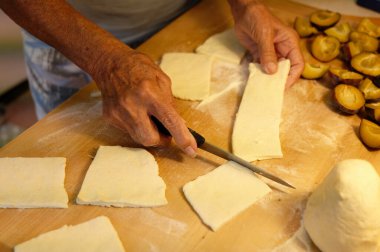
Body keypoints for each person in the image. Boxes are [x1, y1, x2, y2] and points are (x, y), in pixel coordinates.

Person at [0, 0, 304, 157]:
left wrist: (246, 4)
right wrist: (105, 61)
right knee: (68, 149)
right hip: (67, 34)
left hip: (186, 16)